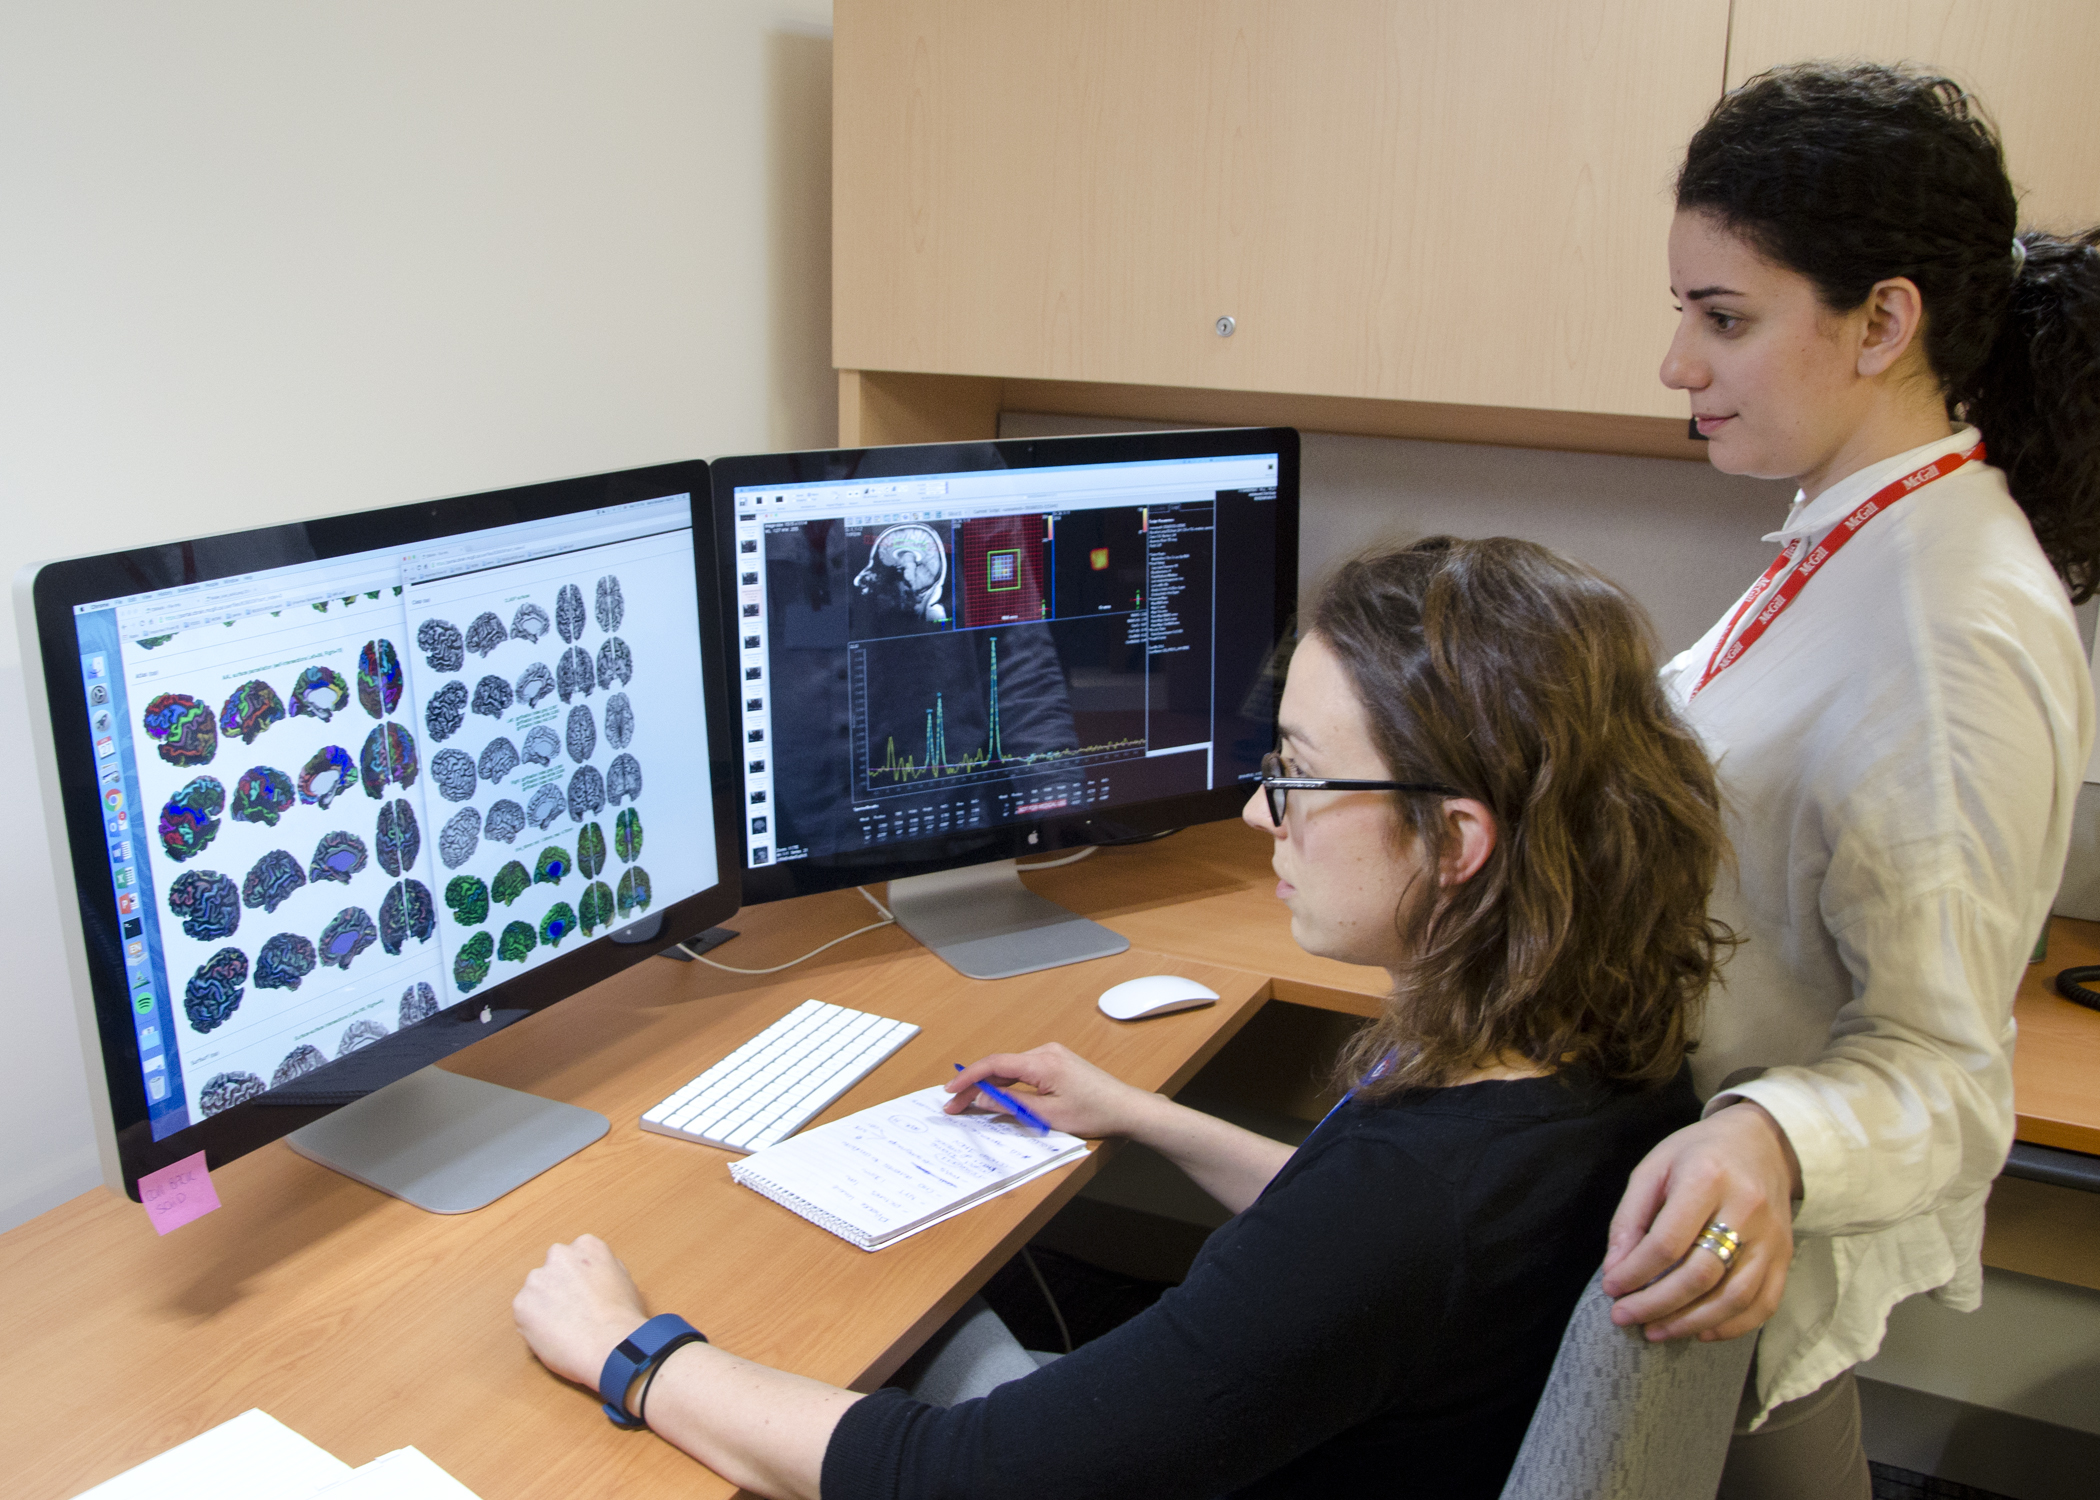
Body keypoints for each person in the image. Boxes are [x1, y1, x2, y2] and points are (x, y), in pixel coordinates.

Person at [512, 536, 1734, 1499]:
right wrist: (1140, 1115)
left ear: (1458, 839)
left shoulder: (1404, 1213)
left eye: (1301, 776)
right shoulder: (1600, 1044)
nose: (1264, 816)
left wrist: (634, 1352)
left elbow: (969, 1478)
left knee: (867, 1339)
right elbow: (1370, 1248)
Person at [1597, 62, 2100, 1498]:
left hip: (1736, 1243)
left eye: (1725, 319)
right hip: (1669, 1189)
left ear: (1885, 319)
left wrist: (1768, 1134)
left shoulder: (1954, 627)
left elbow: (1948, 1079)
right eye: (1683, 310)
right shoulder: (1845, 537)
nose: (1677, 365)